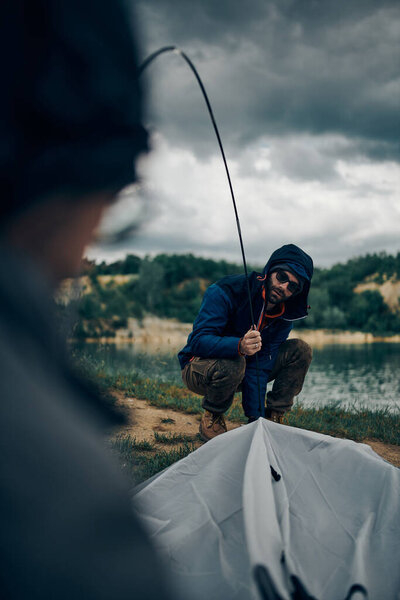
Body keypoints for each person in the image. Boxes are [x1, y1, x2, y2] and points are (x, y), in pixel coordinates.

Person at [0, 1, 175, 598]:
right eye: (114, 205)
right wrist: (237, 344)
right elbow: (203, 344)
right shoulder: (69, 517)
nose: (80, 258)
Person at [178, 244, 313, 441]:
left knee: (301, 350)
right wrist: (239, 346)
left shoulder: (284, 316)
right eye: (282, 277)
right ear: (270, 271)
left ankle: (272, 418)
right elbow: (198, 342)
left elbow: (261, 366)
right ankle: (213, 414)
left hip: (244, 370)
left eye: (293, 286)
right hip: (198, 367)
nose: (284, 287)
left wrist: (255, 418)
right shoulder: (224, 290)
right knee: (236, 359)